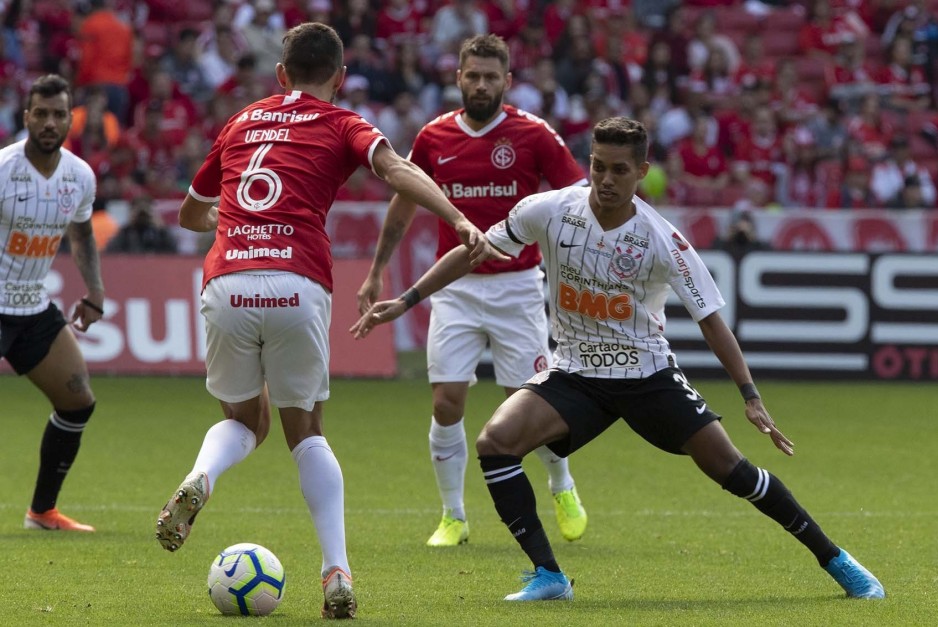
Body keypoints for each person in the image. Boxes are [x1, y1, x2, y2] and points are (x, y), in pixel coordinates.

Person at [352, 117, 886, 602]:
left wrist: (749, 395)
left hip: (647, 374)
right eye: (598, 167)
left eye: (620, 170)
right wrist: (406, 300)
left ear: (642, 173)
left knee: (731, 469)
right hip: (577, 372)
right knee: (496, 443)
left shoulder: (663, 240)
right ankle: (549, 576)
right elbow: (474, 252)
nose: (606, 180)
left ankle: (836, 560)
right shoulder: (551, 210)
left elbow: (710, 319)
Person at [153, 22, 501, 620]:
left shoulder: (241, 120)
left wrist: (239, 223)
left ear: (281, 74)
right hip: (297, 280)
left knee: (242, 419)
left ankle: (200, 477)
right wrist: (460, 218)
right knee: (306, 429)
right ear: (340, 77)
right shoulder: (342, 123)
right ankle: (336, 570)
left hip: (228, 278)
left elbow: (189, 212)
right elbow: (396, 170)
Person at [356, 34, 589, 549]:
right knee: (446, 403)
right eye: (472, 75)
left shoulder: (534, 135)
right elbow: (403, 204)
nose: (481, 84)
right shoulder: (434, 138)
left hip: (518, 287)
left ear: (507, 82)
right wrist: (377, 271)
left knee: (529, 405)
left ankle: (562, 484)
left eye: (491, 77)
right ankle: (453, 516)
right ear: (458, 78)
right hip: (455, 289)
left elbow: (577, 195)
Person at [0, 74, 104, 532]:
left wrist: (95, 292)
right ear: (26, 117)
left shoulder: (79, 176)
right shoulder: (2, 169)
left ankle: (42, 513)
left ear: (69, 119)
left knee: (77, 401)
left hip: (33, 308)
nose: (49, 122)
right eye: (40, 113)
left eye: (58, 114)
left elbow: (81, 234)